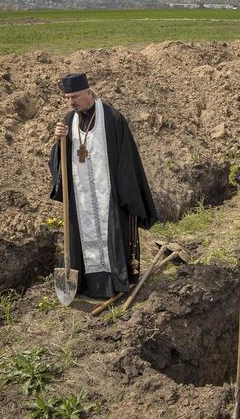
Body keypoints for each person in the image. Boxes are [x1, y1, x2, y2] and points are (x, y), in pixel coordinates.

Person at [49, 73, 158, 299]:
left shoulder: (113, 119)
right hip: (82, 200)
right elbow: (59, 161)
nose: (72, 102)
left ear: (89, 92)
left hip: (109, 197)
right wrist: (60, 141)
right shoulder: (69, 121)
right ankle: (86, 285)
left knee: (112, 235)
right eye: (68, 97)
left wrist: (125, 195)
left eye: (76, 96)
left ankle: (116, 282)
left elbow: (128, 160)